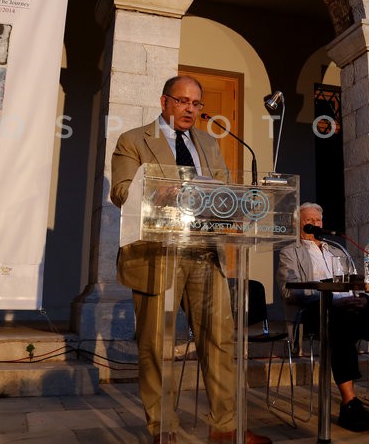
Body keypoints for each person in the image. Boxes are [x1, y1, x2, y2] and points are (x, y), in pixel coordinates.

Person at [110, 75, 272, 444]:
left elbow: (224, 190)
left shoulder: (208, 142)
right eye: (183, 101)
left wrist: (239, 203)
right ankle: (163, 428)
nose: (190, 109)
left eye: (196, 103)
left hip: (203, 251)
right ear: (164, 101)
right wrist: (157, 192)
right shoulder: (134, 140)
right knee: (156, 346)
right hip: (156, 254)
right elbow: (120, 191)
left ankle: (225, 427)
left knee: (220, 341)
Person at [276, 203, 369, 432]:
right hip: (314, 310)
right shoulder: (290, 251)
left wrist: (361, 298)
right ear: (297, 224)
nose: (315, 224)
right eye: (309, 220)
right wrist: (328, 298)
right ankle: (349, 402)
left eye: (318, 220)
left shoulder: (336, 249)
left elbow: (354, 281)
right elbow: (289, 291)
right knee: (339, 322)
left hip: (349, 307)